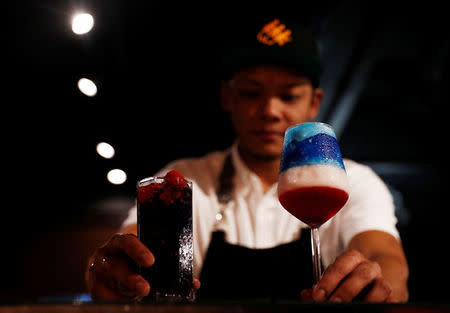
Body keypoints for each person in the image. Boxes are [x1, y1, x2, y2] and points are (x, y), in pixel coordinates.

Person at [85, 16, 409, 302]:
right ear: (228, 97)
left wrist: (379, 280)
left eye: (289, 95)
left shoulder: (354, 181)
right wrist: (114, 270)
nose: (269, 111)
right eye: (251, 93)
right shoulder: (183, 181)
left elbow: (384, 255)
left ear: (314, 103)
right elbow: (132, 250)